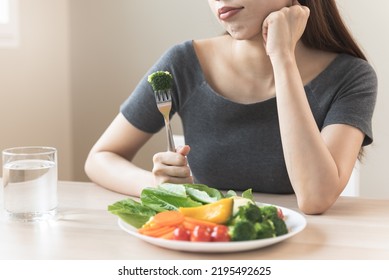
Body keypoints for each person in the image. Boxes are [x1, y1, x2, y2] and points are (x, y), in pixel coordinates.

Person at [84, 0, 377, 214]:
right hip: (207, 240)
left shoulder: (351, 77)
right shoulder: (184, 62)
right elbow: (100, 157)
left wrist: (282, 57)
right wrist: (158, 185)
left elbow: (315, 198)